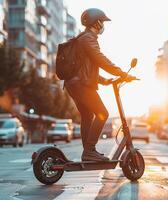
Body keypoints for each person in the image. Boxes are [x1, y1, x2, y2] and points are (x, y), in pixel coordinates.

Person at [65, 8, 135, 161]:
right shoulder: (88, 38)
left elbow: (85, 67)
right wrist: (121, 73)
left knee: (87, 115)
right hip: (81, 85)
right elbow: (100, 59)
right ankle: (89, 151)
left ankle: (88, 152)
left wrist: (105, 81)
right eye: (102, 21)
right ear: (96, 22)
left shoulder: (82, 38)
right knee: (103, 113)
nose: (103, 25)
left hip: (74, 84)